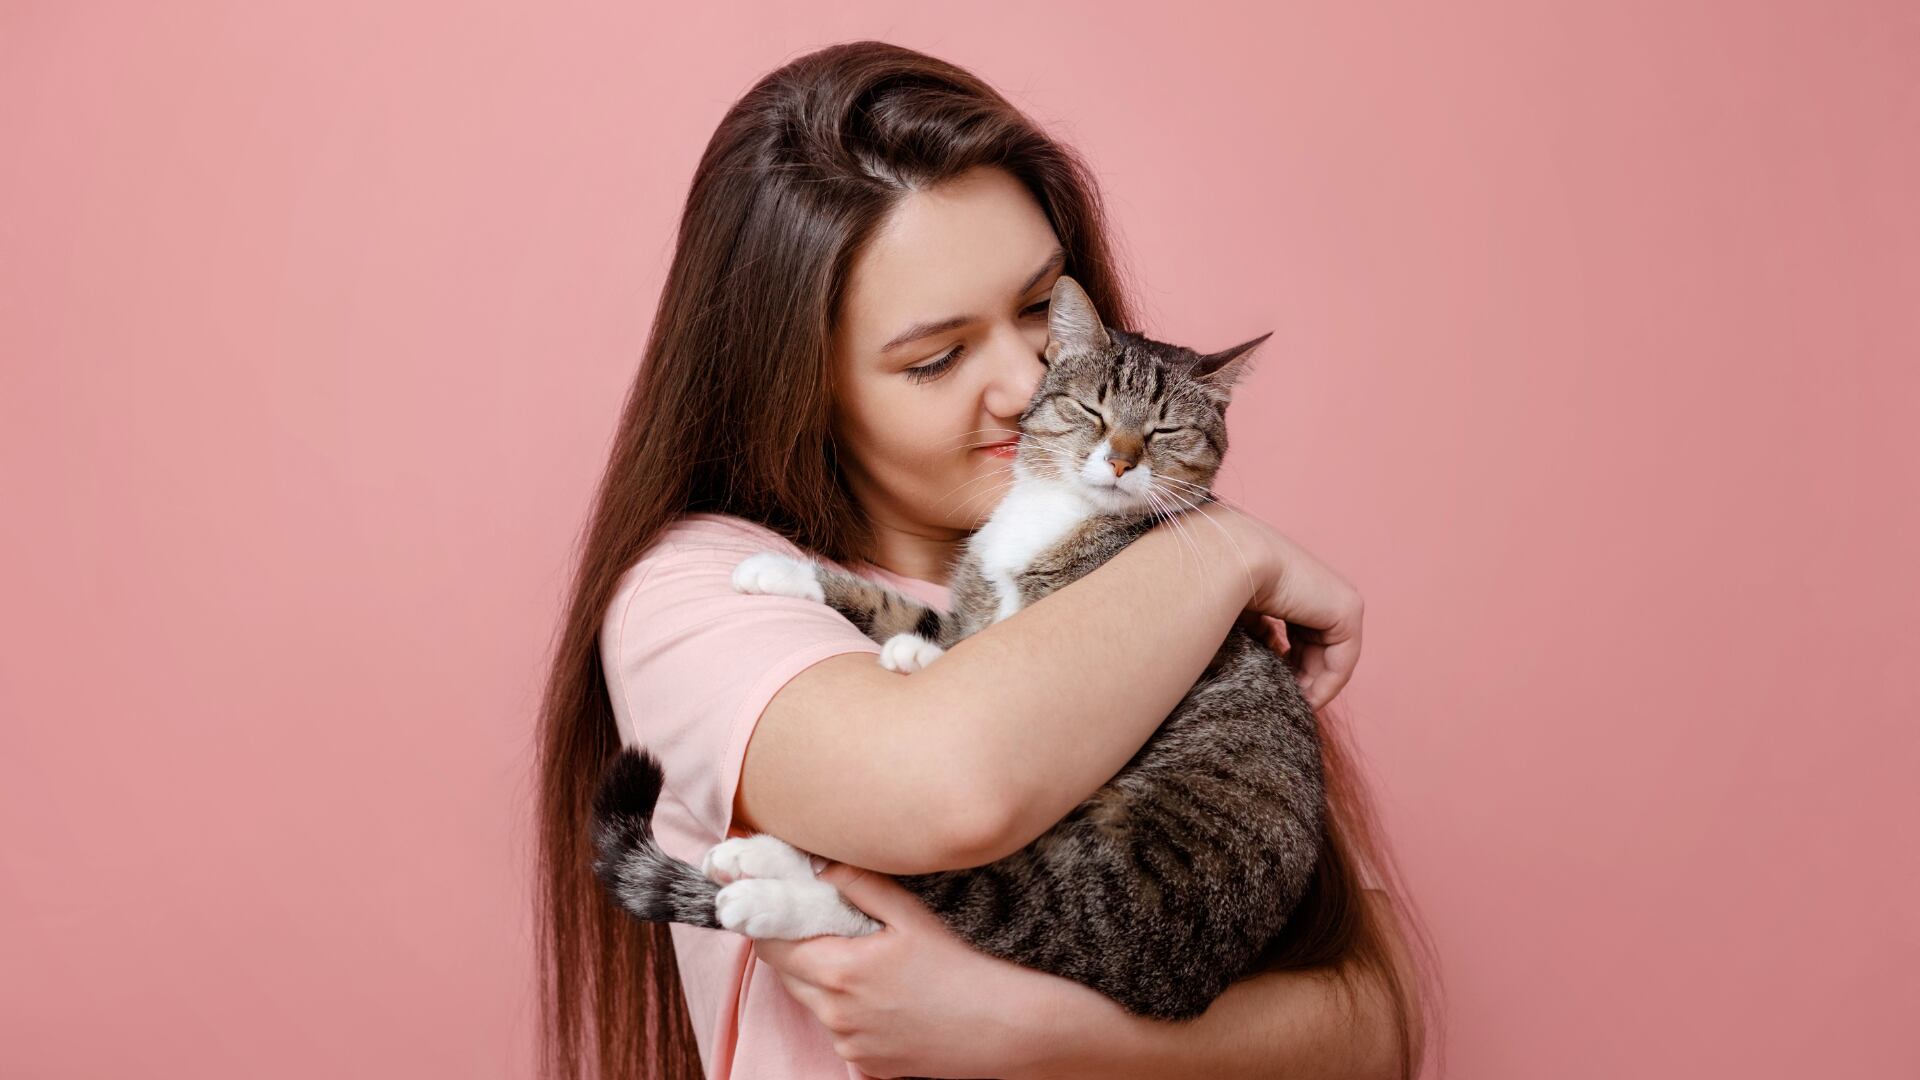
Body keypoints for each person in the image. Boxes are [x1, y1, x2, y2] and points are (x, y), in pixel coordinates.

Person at [535, 40, 1438, 1080]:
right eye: (938, 358)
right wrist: (1229, 550)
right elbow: (951, 789)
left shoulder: (1156, 560)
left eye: (1041, 309)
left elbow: (1378, 1022)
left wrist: (1045, 1038)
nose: (1024, 384)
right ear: (800, 385)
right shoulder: (697, 594)